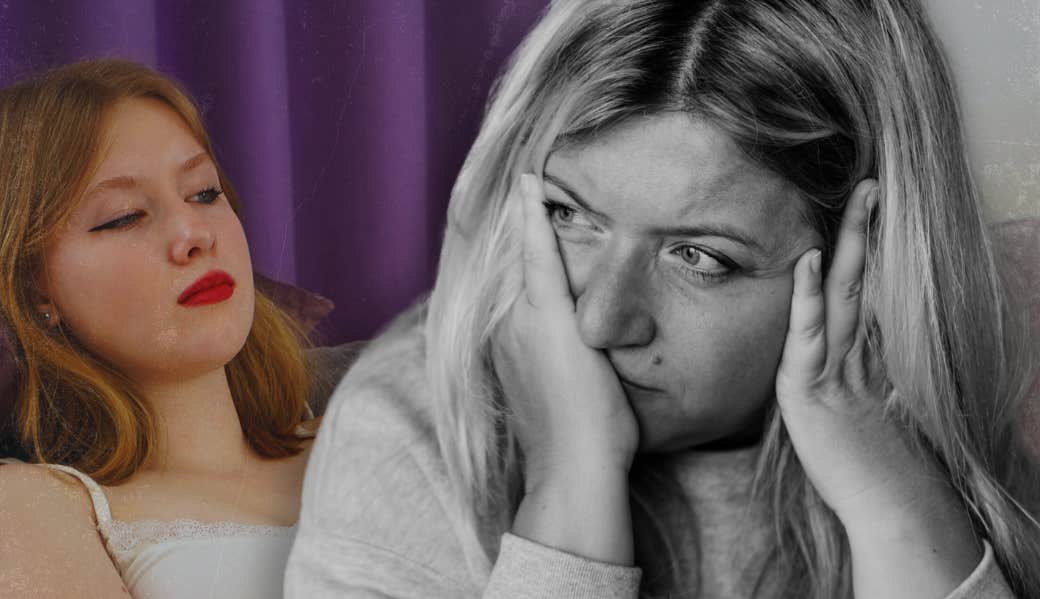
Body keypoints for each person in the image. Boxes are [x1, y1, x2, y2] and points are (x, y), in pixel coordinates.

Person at [285, 0, 1040, 597]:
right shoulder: (405, 431)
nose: (599, 318)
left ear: (867, 264)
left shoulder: (987, 382)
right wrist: (569, 482)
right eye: (568, 214)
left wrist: (890, 493)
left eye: (697, 256)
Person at [0, 60, 319, 598]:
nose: (194, 233)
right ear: (34, 289)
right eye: (123, 217)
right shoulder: (30, 510)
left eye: (205, 192)